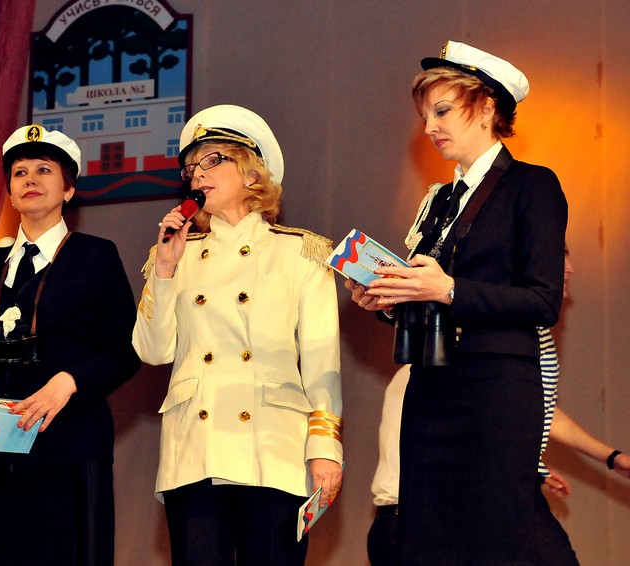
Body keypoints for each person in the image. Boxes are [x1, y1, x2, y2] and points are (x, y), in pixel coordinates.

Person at [347, 40, 568, 564]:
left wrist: (446, 288)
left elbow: (542, 301)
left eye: (442, 111)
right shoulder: (438, 200)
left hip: (495, 391)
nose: (429, 127)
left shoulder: (532, 185)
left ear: (487, 108)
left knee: (493, 539)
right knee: (428, 539)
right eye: (425, 116)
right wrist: (386, 300)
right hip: (429, 387)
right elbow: (427, 295)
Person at [132, 104, 343, 565]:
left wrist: (326, 449)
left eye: (213, 160)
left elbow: (322, 364)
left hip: (274, 446)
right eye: (191, 167)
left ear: (251, 174)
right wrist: (164, 269)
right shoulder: (177, 255)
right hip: (194, 447)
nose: (198, 173)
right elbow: (152, 351)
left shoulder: (302, 253)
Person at [0, 124, 140, 565]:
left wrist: (70, 381)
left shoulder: (95, 256)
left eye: (44, 170)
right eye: (19, 172)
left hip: (69, 444)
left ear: (69, 189)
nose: (30, 179)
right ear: (9, 193)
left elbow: (125, 349)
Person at [366, 248, 629, 565]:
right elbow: (481, 416)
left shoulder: (528, 336)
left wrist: (610, 457)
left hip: (496, 487)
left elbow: (537, 409)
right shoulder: (462, 346)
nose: (570, 268)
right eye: (559, 255)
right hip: (421, 515)